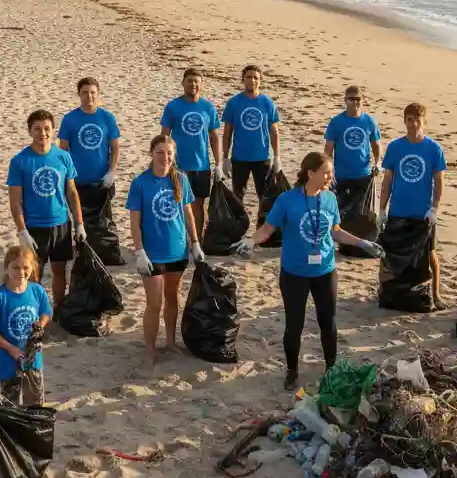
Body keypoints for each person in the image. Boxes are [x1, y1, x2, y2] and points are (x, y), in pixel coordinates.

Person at [234, 152, 384, 390]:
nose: (329, 178)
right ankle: (292, 370)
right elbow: (267, 230)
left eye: (331, 173)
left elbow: (335, 231)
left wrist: (363, 243)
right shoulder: (286, 200)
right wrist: (250, 241)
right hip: (295, 273)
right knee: (295, 325)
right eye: (326, 173)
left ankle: (331, 368)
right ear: (310, 173)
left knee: (328, 322)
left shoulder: (330, 199)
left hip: (325, 271)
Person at [127, 135, 205, 369]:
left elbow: (189, 214)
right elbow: (134, 221)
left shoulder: (181, 179)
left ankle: (170, 342)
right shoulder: (140, 183)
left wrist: (195, 242)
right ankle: (150, 348)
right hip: (153, 253)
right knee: (154, 302)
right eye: (160, 152)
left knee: (172, 298)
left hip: (178, 251)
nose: (165, 157)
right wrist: (139, 250)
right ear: (152, 153)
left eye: (169, 153)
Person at [7, 109, 85, 306]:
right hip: (34, 227)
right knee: (33, 273)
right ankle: (34, 310)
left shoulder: (63, 157)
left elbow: (72, 192)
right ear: (30, 131)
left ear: (53, 130)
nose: (43, 133)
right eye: (37, 129)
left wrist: (79, 224)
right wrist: (22, 230)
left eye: (47, 129)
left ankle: (58, 309)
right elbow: (15, 201)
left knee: (60, 271)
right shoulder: (19, 161)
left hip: (61, 224)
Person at [378, 103, 447, 308]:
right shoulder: (395, 147)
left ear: (424, 122)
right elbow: (387, 180)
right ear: (404, 121)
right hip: (398, 210)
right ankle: (387, 291)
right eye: (409, 119)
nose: (413, 123)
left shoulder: (434, 149)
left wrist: (434, 208)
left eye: (417, 119)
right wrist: (381, 210)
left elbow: (439, 181)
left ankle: (435, 294)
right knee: (390, 255)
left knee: (430, 254)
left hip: (422, 213)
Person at [0, 245, 51, 406]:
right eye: (16, 267)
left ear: (32, 268)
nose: (21, 272)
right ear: (6, 269)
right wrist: (10, 348)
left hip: (33, 357)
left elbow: (46, 313)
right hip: (8, 359)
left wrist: (40, 325)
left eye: (25, 267)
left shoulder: (38, 291)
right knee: (10, 403)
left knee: (35, 402)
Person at [161, 68, 223, 233]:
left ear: (201, 84)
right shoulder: (173, 106)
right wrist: (164, 162)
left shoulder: (208, 107)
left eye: (196, 81)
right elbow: (164, 137)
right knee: (178, 203)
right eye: (189, 81)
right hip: (178, 165)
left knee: (198, 204)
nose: (193, 84)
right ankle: (181, 240)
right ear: (183, 83)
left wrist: (219, 164)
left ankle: (197, 241)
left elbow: (215, 137)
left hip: (201, 166)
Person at [222, 65, 281, 202]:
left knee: (265, 197)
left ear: (260, 81)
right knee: (238, 196)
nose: (252, 80)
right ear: (243, 79)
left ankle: (262, 224)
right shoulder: (233, 103)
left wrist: (277, 156)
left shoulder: (268, 103)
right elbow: (227, 133)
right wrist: (225, 158)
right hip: (240, 157)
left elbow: (275, 132)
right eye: (249, 77)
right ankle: (239, 223)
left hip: (262, 157)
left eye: (256, 78)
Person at [58, 75, 121, 188]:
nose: (89, 96)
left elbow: (115, 147)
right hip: (77, 180)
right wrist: (66, 174)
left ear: (98, 93)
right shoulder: (69, 119)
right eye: (85, 92)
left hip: (102, 181)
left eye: (93, 92)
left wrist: (112, 172)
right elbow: (63, 150)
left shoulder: (107, 117)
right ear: (79, 94)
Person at [324, 85, 382, 183]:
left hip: (364, 175)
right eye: (351, 99)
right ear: (345, 100)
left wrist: (377, 163)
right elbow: (328, 150)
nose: (355, 102)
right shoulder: (336, 122)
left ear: (362, 101)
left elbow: (376, 145)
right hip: (341, 176)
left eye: (358, 99)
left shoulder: (369, 121)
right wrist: (328, 171)